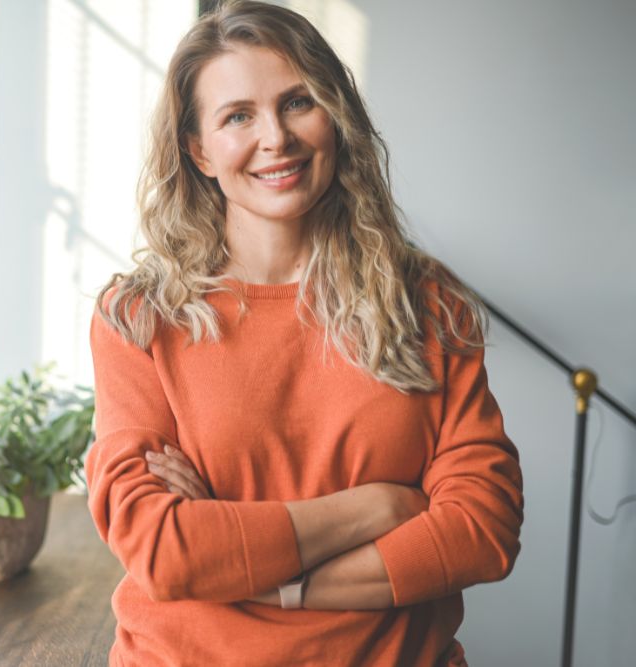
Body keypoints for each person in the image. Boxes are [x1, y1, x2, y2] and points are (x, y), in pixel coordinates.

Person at [83, 1, 525, 665]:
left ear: (336, 116)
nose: (277, 138)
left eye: (297, 102)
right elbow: (165, 550)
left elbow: (482, 529)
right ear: (199, 149)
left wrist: (258, 573)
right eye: (238, 116)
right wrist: (376, 507)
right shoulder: (140, 317)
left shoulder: (427, 303)